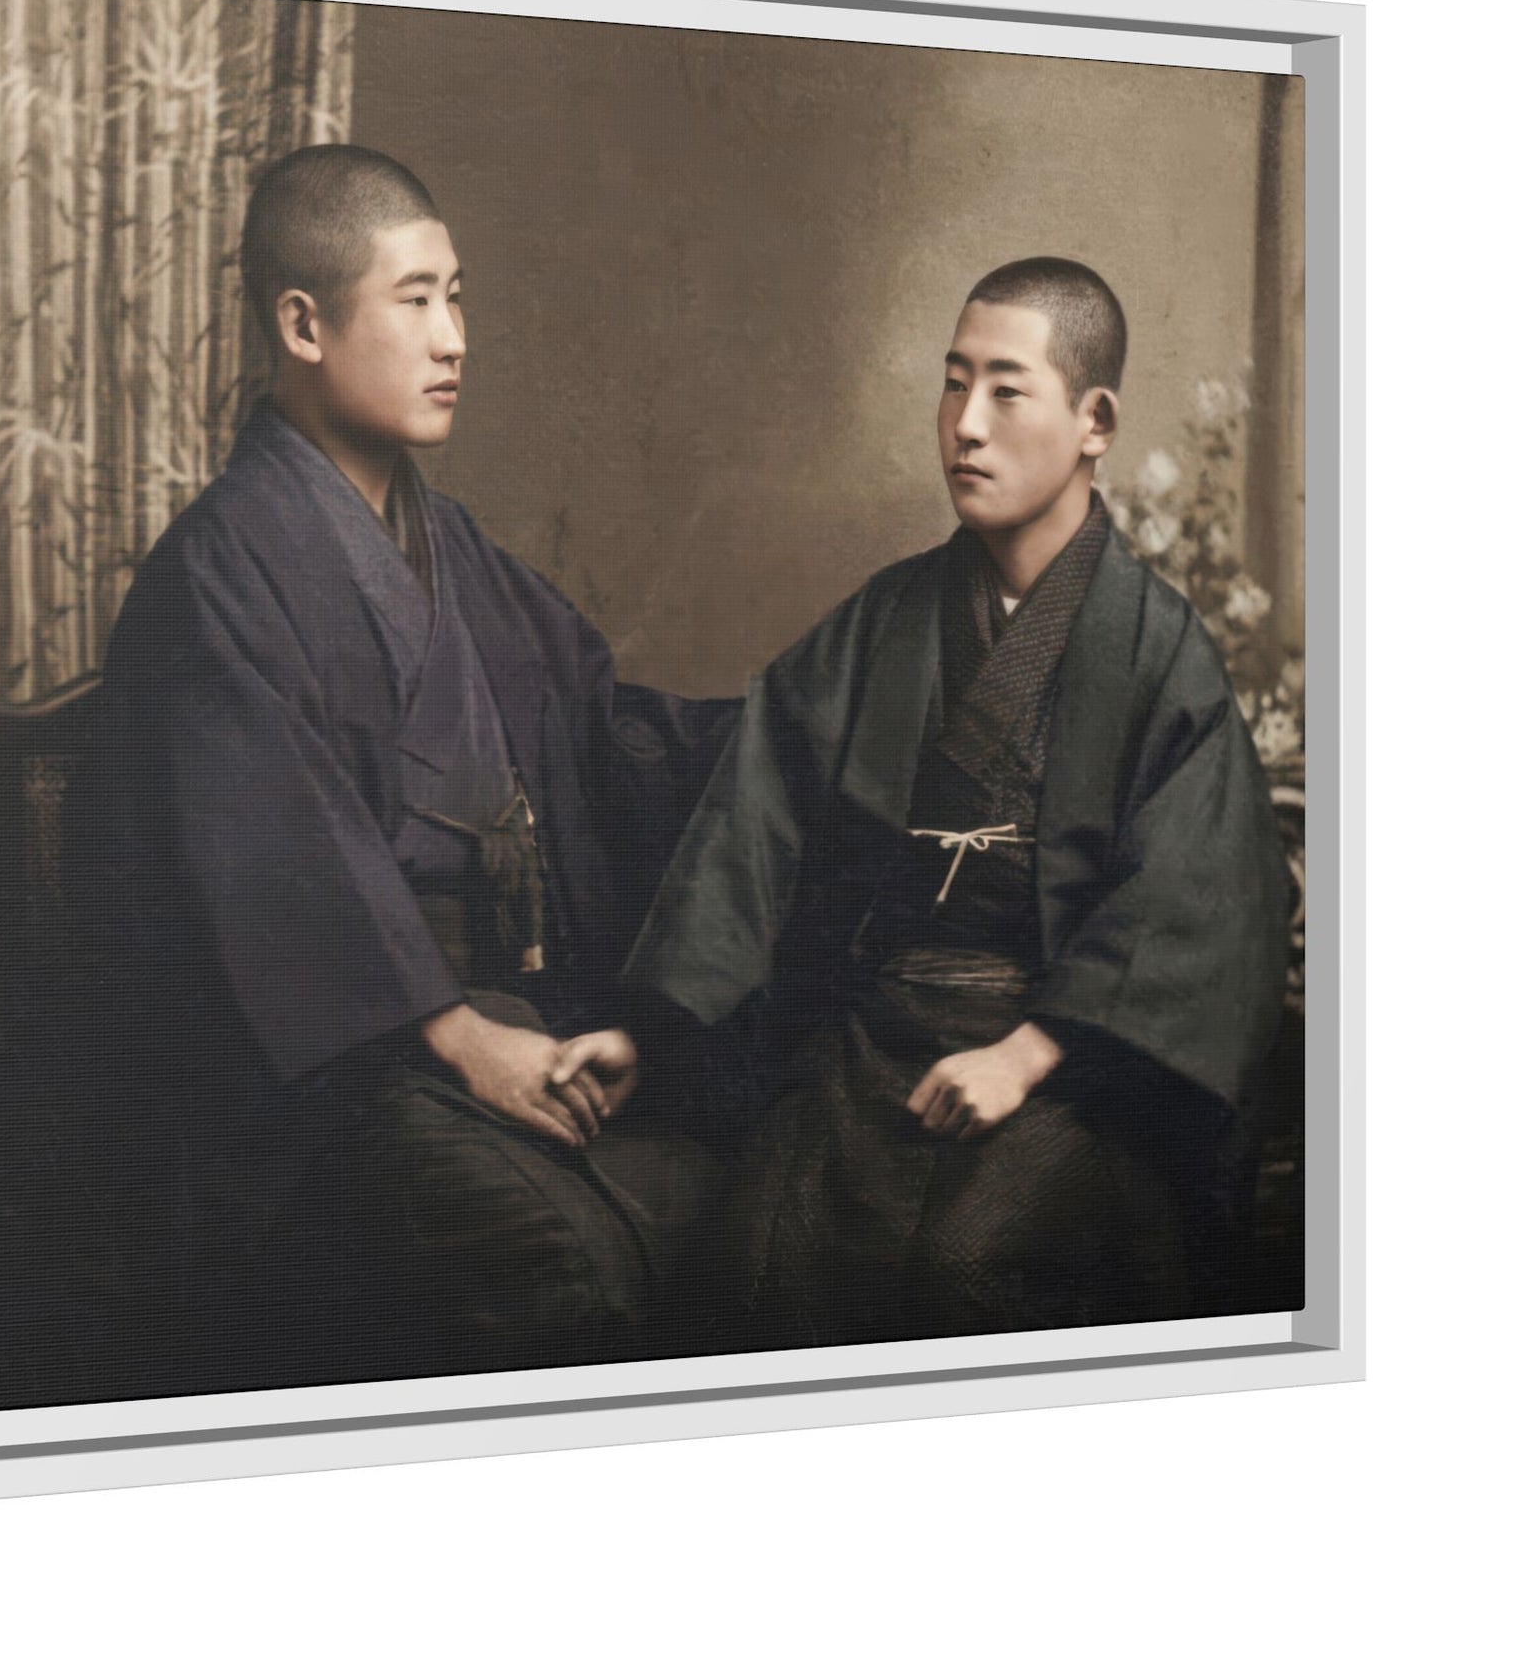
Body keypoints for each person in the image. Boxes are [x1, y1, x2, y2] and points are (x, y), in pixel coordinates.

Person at [63, 144, 734, 1397]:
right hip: (315, 1077)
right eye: (414, 299)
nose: (453, 338)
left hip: (502, 1015)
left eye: (456, 297)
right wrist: (459, 1035)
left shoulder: (448, 542)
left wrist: (817, 732)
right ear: (301, 324)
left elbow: (604, 733)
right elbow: (275, 867)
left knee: (744, 1179)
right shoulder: (215, 576)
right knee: (569, 1264)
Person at [625, 257, 1290, 1349]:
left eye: (1005, 390)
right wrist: (650, 1026)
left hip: (1068, 1065)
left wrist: (1025, 1055)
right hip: (874, 1038)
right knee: (753, 1257)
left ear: (1094, 421)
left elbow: (1196, 901)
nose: (965, 424)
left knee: (965, 1264)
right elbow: (754, 822)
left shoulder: (1158, 652)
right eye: (952, 383)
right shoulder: (885, 619)